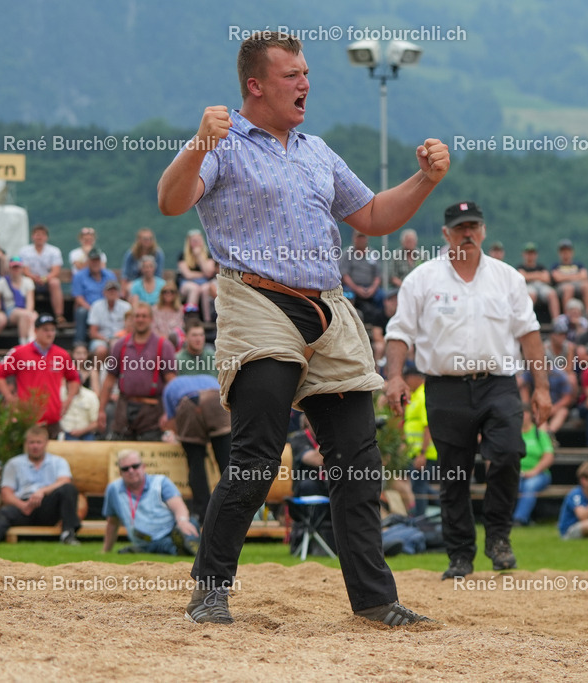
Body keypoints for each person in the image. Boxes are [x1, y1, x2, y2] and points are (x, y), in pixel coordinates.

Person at [157, 32, 451, 625]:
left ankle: (374, 601)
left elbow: (371, 216)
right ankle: (211, 588)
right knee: (258, 455)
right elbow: (170, 201)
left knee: (357, 461)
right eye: (292, 75)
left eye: (307, 73)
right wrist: (195, 144)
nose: (305, 83)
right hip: (257, 300)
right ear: (255, 85)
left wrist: (423, 181)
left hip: (329, 307)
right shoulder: (222, 143)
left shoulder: (316, 149)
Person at [385, 200, 550, 580]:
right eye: (460, 228)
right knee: (454, 475)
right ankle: (460, 554)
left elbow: (530, 334)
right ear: (446, 235)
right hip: (444, 387)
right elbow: (399, 332)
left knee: (509, 452)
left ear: (484, 230)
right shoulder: (423, 278)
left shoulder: (508, 277)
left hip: (498, 383)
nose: (468, 233)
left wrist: (541, 387)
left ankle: (498, 537)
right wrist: (394, 377)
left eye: (474, 226)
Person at [0, 426, 81, 545]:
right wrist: (22, 505)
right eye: (31, 442)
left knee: (68, 489)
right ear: (26, 444)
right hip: (23, 506)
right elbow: (6, 493)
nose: (35, 446)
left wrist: (42, 491)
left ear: (46, 443)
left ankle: (68, 533)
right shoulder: (14, 464)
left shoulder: (58, 462)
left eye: (38, 442)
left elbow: (65, 481)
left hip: (49, 506)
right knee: (5, 512)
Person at [98, 304, 178, 441]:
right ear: (132, 319)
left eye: (144, 316)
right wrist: (101, 410)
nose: (140, 319)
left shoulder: (164, 346)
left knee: (150, 457)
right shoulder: (120, 345)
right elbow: (109, 380)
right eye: (137, 316)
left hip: (153, 411)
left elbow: (172, 384)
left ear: (151, 319)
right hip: (124, 408)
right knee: (121, 454)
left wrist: (170, 413)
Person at [0, 315, 80, 438]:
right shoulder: (19, 352)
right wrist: (9, 397)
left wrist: (69, 399)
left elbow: (73, 378)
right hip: (27, 417)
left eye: (52, 330)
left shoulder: (62, 355)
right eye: (45, 330)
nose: (50, 333)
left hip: (52, 418)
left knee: (53, 454)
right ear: (35, 331)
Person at [159, 373, 230, 525]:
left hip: (189, 402)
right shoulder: (208, 377)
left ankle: (203, 515)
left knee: (195, 462)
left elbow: (172, 422)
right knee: (227, 464)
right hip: (215, 399)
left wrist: (178, 438)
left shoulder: (168, 390)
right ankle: (232, 512)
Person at [102, 450, 200, 555]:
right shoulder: (113, 489)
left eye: (135, 466)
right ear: (120, 472)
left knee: (191, 523)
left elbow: (179, 507)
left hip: (172, 528)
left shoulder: (161, 482)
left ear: (143, 467)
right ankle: (188, 548)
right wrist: (106, 550)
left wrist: (182, 522)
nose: (131, 471)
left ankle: (187, 543)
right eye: (125, 469)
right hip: (149, 540)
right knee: (163, 545)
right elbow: (112, 522)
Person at [402, 363, 438, 518]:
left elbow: (427, 427)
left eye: (407, 378)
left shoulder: (423, 396)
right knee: (419, 486)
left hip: (424, 453)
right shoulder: (416, 395)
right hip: (415, 452)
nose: (406, 381)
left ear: (415, 377)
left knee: (420, 488)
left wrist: (422, 453)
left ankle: (421, 520)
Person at [514, 403, 554, 527]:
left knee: (530, 486)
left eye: (525, 413)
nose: (522, 417)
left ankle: (519, 520)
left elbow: (549, 457)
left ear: (530, 416)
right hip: (515, 472)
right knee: (508, 485)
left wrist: (533, 472)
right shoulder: (512, 434)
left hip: (539, 474)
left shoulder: (539, 433)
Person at [17, 224, 65, 321]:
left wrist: (45, 278)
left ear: (46, 237)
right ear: (32, 236)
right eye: (37, 234)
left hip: (47, 281)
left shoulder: (54, 251)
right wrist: (34, 278)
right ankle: (28, 313)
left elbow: (56, 271)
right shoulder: (24, 251)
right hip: (31, 280)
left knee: (55, 283)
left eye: (42, 235)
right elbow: (25, 270)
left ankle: (59, 315)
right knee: (27, 283)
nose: (40, 237)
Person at [71, 248, 118, 344]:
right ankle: (79, 343)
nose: (95, 263)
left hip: (108, 306)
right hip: (88, 308)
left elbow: (115, 293)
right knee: (81, 312)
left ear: (101, 261)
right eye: (93, 260)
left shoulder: (110, 275)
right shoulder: (79, 276)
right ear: (88, 261)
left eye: (97, 260)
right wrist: (92, 309)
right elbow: (78, 297)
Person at [340, 230, 385, 327]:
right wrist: (356, 288)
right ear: (354, 238)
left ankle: (379, 323)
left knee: (383, 296)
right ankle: (347, 322)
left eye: (363, 237)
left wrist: (372, 288)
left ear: (367, 239)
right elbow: (344, 275)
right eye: (358, 237)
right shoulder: (347, 253)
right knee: (346, 295)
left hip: (370, 287)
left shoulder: (373, 254)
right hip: (351, 287)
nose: (361, 240)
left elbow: (378, 275)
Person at [0, 254, 36, 344]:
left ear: (22, 268)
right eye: (14, 267)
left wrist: (28, 312)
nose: (16, 269)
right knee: (26, 315)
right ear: (10, 268)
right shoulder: (2, 282)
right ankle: (25, 344)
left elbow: (30, 302)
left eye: (18, 267)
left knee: (33, 315)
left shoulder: (28, 281)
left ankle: (31, 340)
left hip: (25, 312)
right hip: (10, 311)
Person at [177, 230, 218, 322]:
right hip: (187, 284)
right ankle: (191, 316)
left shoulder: (208, 255)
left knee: (205, 289)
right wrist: (202, 274)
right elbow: (187, 275)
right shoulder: (183, 256)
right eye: (194, 241)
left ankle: (207, 319)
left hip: (204, 283)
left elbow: (209, 273)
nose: (196, 243)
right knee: (194, 288)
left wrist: (199, 256)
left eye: (198, 240)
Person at [87, 280, 132, 358]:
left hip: (122, 338)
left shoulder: (126, 307)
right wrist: (107, 340)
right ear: (104, 292)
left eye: (114, 290)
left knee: (117, 345)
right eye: (109, 290)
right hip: (101, 339)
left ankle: (121, 369)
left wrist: (118, 338)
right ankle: (97, 370)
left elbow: (130, 329)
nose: (112, 292)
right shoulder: (96, 306)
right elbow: (93, 332)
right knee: (101, 350)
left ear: (119, 293)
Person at [517, 242, 560, 322]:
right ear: (524, 254)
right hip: (528, 286)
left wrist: (529, 275)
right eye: (528, 253)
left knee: (552, 293)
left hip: (541, 287)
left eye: (532, 253)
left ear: (536, 255)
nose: (530, 256)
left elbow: (547, 278)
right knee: (531, 294)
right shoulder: (520, 266)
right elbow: (522, 277)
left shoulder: (541, 266)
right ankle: (527, 320)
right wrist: (538, 275)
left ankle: (556, 321)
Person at [551, 239, 588, 314]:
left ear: (572, 252)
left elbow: (584, 276)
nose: (565, 253)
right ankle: (567, 316)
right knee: (568, 288)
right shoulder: (556, 266)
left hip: (578, 285)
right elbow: (557, 278)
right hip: (562, 287)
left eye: (568, 250)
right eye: (563, 251)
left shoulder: (579, 264)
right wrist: (576, 276)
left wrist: (565, 277)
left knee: (587, 285)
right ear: (559, 253)